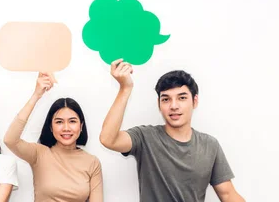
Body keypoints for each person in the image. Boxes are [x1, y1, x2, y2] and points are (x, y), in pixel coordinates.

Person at [99, 59, 245, 202]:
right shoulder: (145, 137)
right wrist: (125, 88)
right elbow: (108, 139)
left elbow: (227, 194)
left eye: (181, 98)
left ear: (194, 101)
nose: (173, 106)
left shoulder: (210, 145)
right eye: (166, 99)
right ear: (159, 104)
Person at [4, 73, 103, 202]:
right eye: (59, 122)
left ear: (81, 125)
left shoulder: (92, 162)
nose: (66, 128)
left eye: (72, 121)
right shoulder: (39, 153)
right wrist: (36, 95)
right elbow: (10, 140)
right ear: (50, 127)